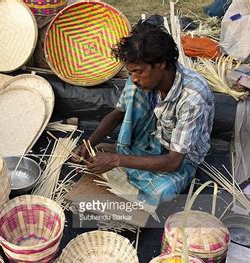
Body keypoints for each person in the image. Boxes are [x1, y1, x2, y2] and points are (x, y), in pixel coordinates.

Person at [72, 21, 215, 207]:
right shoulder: (140, 79)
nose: (134, 78)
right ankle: (126, 151)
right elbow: (117, 114)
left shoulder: (193, 97)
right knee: (133, 92)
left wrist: (116, 160)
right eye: (130, 72)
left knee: (161, 194)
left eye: (138, 71)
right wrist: (89, 143)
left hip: (180, 157)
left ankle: (123, 153)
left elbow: (174, 162)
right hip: (153, 136)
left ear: (161, 64)